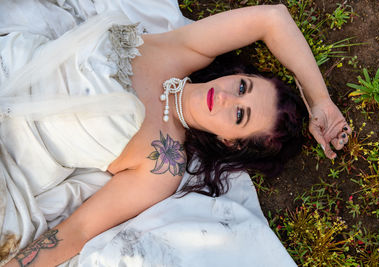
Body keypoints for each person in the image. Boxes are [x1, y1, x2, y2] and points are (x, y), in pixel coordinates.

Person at [0, 1, 351, 266]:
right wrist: (320, 101)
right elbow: (273, 18)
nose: (229, 97)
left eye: (240, 115)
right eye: (243, 86)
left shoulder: (163, 166)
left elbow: (75, 232)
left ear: (230, 141)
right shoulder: (179, 50)